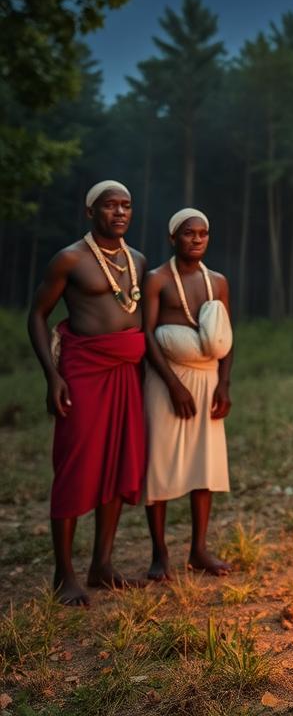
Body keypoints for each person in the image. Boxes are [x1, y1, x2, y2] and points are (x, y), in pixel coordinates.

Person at [27, 180, 147, 606]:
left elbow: (142, 322)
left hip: (127, 375)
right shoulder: (70, 259)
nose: (119, 212)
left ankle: (102, 564)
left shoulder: (136, 259)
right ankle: (64, 574)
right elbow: (38, 316)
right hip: (82, 371)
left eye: (126, 205)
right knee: (77, 465)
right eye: (109, 206)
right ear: (90, 211)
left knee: (117, 463)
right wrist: (52, 377)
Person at [142, 208, 233, 579]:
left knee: (204, 464)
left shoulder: (218, 282)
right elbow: (146, 334)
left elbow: (227, 337)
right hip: (167, 381)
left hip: (207, 378)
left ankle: (199, 549)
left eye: (203, 233)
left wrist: (223, 385)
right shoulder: (157, 280)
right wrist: (173, 384)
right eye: (188, 233)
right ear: (172, 238)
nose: (196, 239)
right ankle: (159, 553)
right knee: (159, 462)